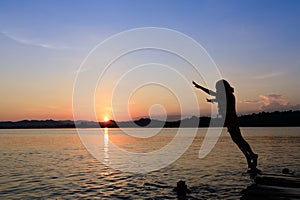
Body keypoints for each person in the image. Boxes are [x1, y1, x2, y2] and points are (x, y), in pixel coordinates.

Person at [193, 80, 259, 172]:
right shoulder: (227, 95)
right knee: (237, 140)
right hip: (229, 121)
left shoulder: (228, 95)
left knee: (239, 139)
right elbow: (218, 98)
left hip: (232, 120)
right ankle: (249, 156)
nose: (217, 90)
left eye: (218, 88)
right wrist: (212, 100)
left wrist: (200, 87)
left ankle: (251, 155)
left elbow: (212, 93)